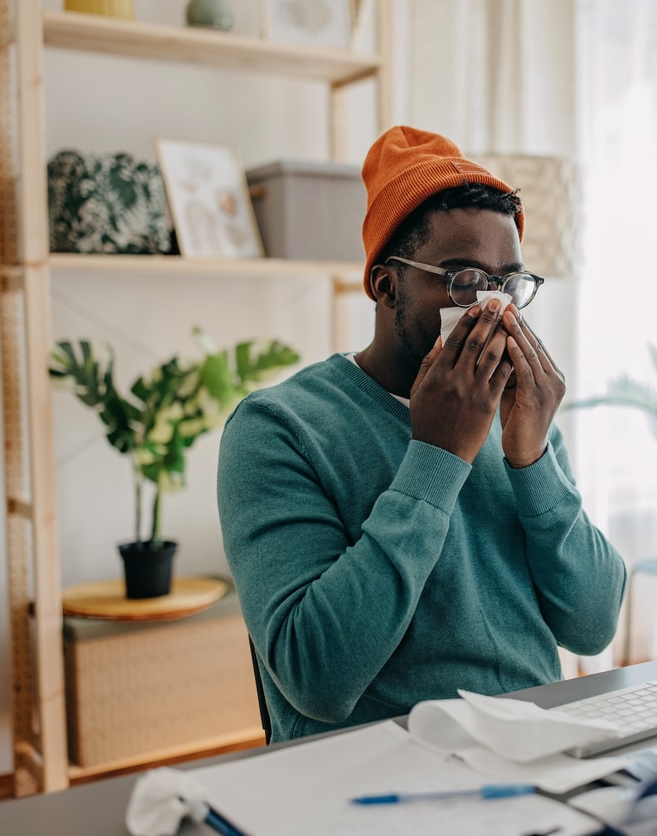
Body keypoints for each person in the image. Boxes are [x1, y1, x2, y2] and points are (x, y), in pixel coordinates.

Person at [218, 125, 627, 743]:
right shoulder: (280, 428)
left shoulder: (518, 414)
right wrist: (437, 455)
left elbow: (593, 627)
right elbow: (316, 677)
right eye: (465, 280)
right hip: (378, 772)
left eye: (509, 284)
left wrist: (533, 458)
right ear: (386, 285)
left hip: (536, 751)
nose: (494, 308)